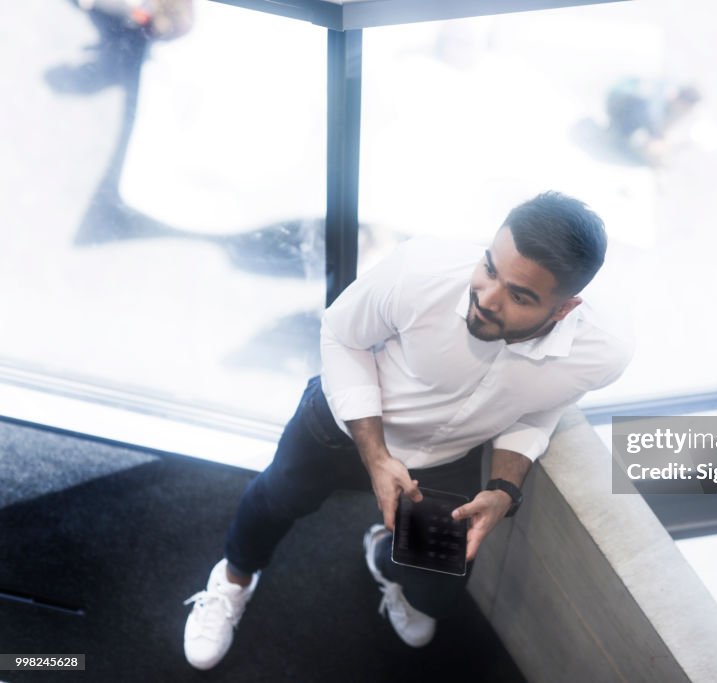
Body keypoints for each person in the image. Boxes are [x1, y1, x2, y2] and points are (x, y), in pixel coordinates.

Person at [181, 191, 634, 670]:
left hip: (444, 460)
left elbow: (537, 411)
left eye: (519, 296)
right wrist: (376, 457)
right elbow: (341, 336)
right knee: (276, 501)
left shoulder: (601, 354)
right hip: (343, 425)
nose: (485, 297)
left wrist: (504, 488)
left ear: (564, 309)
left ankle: (382, 553)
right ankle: (231, 583)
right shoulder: (421, 270)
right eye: (489, 268)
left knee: (435, 591)